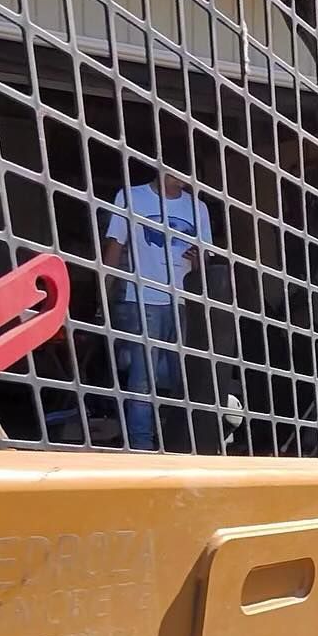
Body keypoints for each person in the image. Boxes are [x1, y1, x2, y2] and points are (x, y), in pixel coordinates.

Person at [102, 164, 214, 449]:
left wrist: (197, 258)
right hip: (142, 299)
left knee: (183, 379)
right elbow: (115, 247)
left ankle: (178, 443)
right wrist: (105, 293)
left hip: (184, 302)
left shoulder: (198, 207)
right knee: (142, 380)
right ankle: (141, 448)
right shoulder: (131, 197)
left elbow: (207, 260)